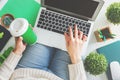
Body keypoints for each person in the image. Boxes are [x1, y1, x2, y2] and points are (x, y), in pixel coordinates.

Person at [0, 25, 87, 80]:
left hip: (26, 71)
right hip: (61, 77)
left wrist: (17, 52)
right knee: (75, 32)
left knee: (45, 28)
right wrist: (76, 57)